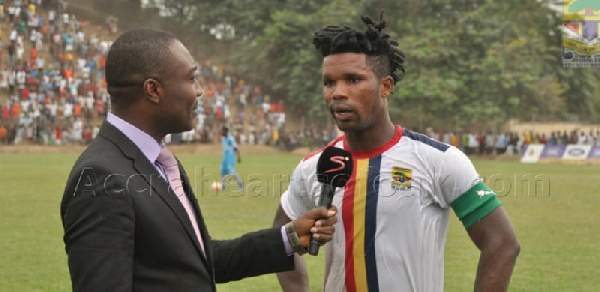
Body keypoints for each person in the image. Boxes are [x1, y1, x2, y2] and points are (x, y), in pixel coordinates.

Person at [60, 28, 338, 292]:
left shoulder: (159, 161)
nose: (200, 91)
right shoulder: (101, 177)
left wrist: (288, 237)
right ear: (153, 90)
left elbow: (198, 258)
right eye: (192, 78)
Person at [273, 13, 520, 291]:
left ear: (386, 86)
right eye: (329, 82)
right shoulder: (314, 166)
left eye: (353, 80)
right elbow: (280, 239)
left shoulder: (438, 160)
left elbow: (501, 243)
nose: (337, 93)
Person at [220, 126, 243, 190]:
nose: (221, 132)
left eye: (222, 131)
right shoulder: (223, 139)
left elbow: (236, 148)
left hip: (230, 156)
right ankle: (223, 186)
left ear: (226, 132)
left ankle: (240, 183)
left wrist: (239, 157)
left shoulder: (231, 139)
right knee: (222, 171)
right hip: (225, 156)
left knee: (232, 172)